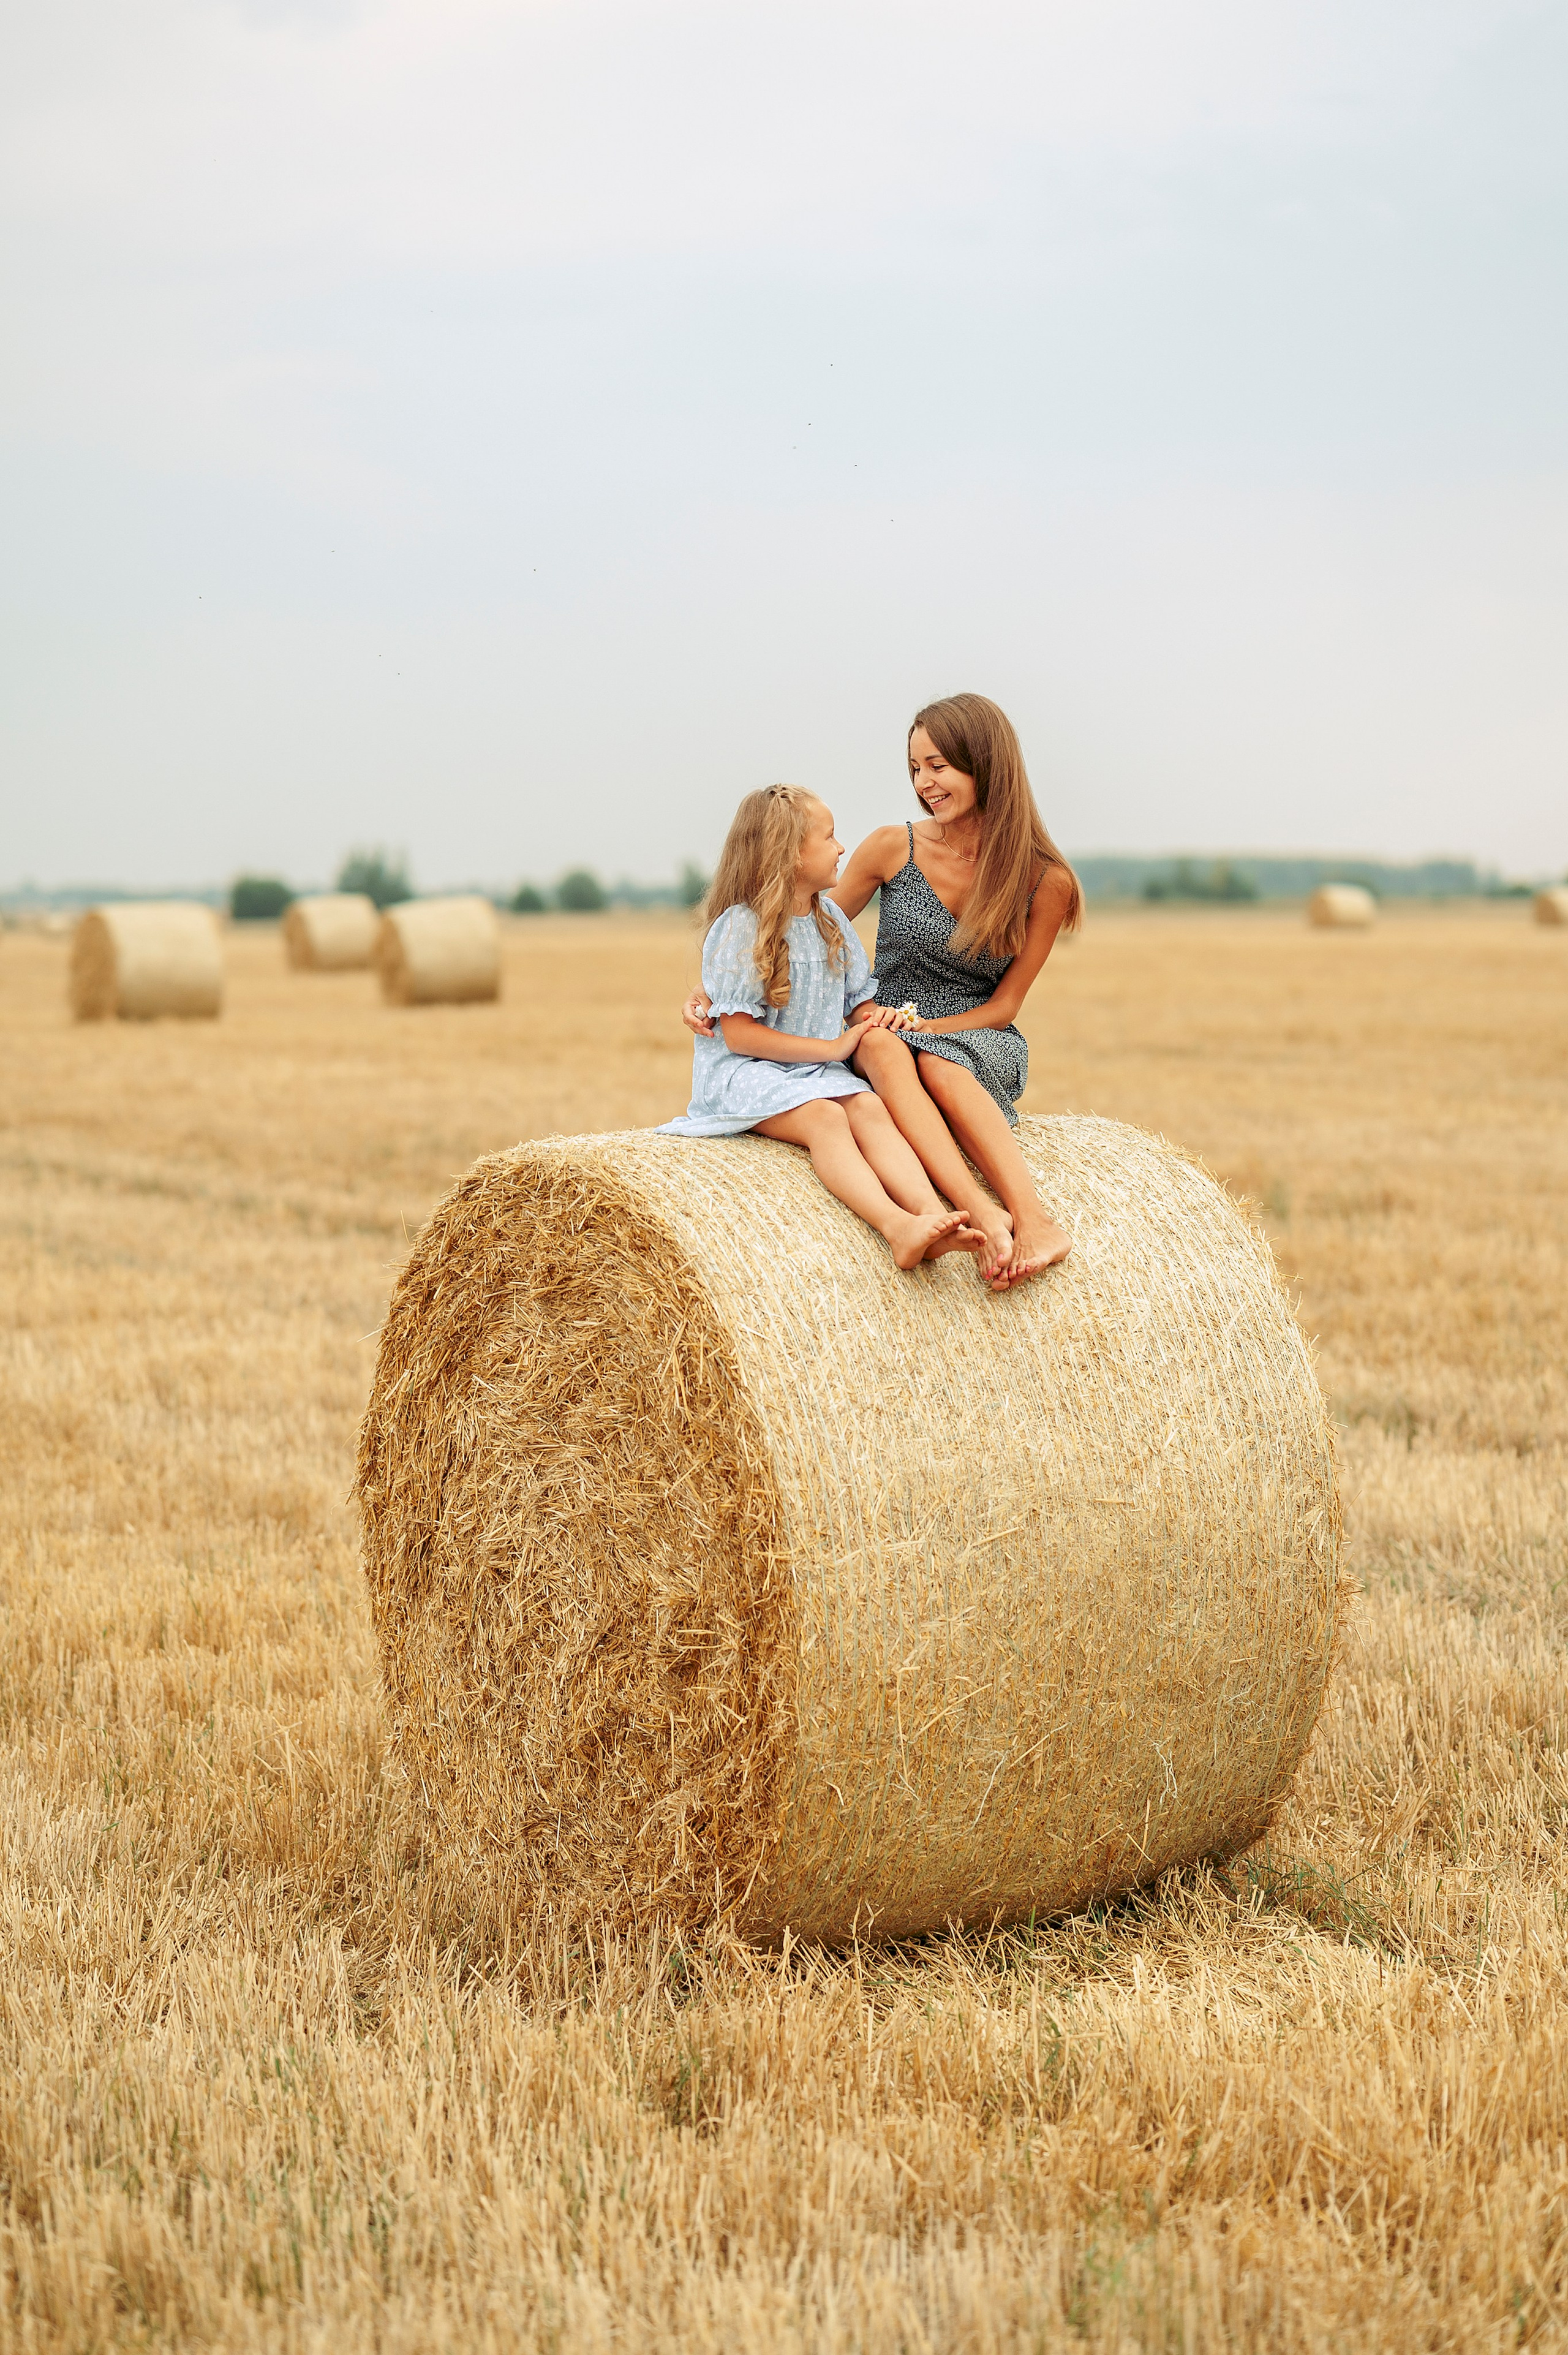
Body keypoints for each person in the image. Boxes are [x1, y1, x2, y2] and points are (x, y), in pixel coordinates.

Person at [682, 694, 1080, 1287]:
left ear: (986, 764)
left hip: (973, 1031)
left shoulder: (1044, 880)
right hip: (879, 1018)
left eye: (939, 765)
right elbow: (792, 931)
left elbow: (1004, 1006)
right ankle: (966, 1214)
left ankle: (1032, 1219)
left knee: (938, 1067)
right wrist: (712, 988)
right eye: (915, 768)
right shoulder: (895, 846)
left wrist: (926, 1030)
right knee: (881, 1046)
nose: (925, 783)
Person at [658, 782, 986, 1271]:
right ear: (791, 855)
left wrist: (877, 1020)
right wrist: (833, 1050)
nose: (841, 848)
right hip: (745, 1074)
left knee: (870, 1106)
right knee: (827, 1119)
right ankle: (896, 1229)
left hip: (812, 1072)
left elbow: (859, 1003)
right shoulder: (740, 928)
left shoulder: (831, 919)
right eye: (830, 838)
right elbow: (741, 1036)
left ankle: (933, 1216)